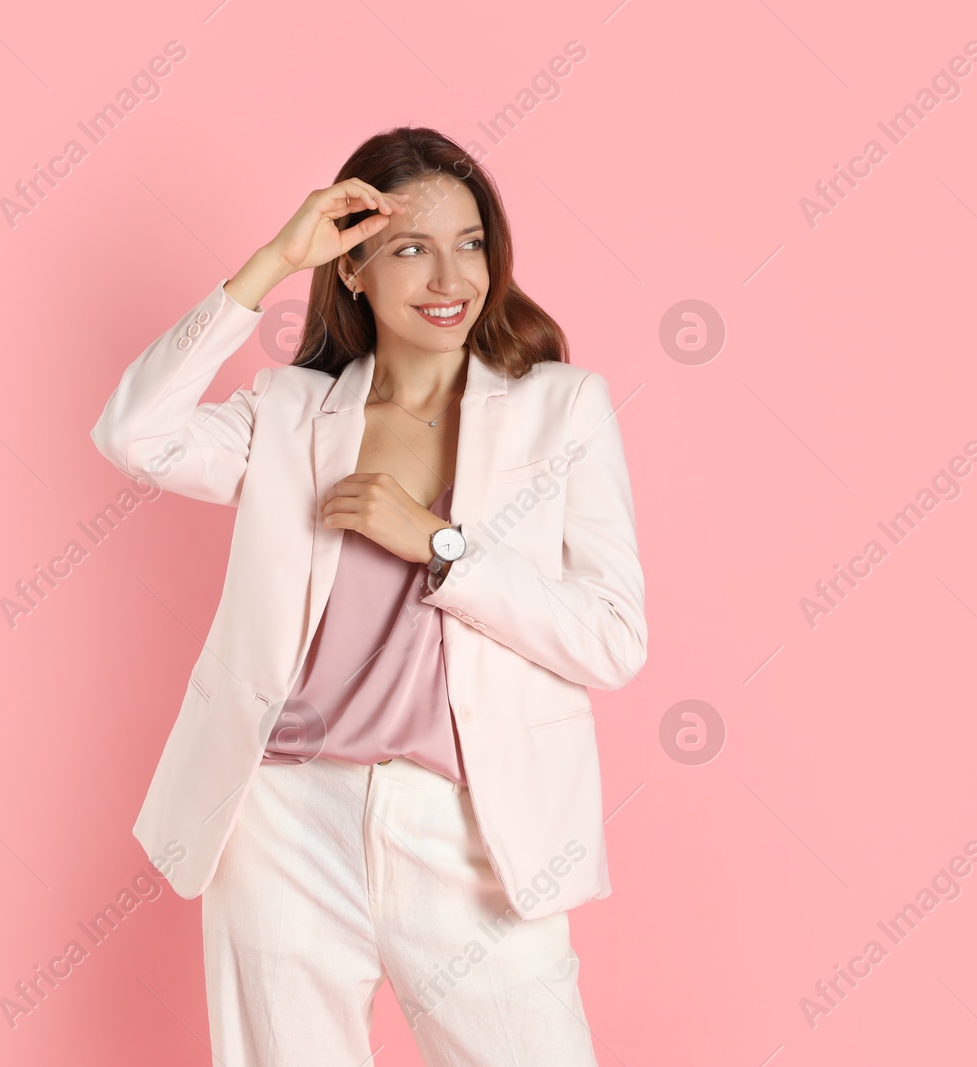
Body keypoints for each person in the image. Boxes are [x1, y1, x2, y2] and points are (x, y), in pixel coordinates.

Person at [90, 126, 647, 1066]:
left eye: (470, 243)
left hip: (472, 830)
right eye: (410, 247)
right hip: (283, 820)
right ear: (352, 269)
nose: (450, 277)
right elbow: (135, 434)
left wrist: (440, 545)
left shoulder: (561, 407)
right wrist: (270, 263)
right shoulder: (289, 413)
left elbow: (612, 637)